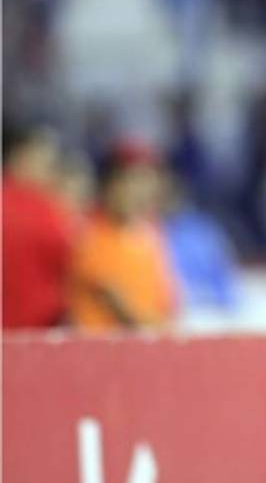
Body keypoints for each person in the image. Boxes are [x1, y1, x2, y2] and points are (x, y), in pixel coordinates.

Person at [67, 139, 178, 330]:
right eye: (132, 181)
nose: (140, 192)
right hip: (103, 353)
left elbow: (167, 302)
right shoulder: (89, 234)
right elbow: (124, 311)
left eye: (147, 181)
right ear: (109, 185)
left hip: (147, 349)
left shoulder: (150, 234)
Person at [2, 122, 75, 329]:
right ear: (21, 156)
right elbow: (72, 260)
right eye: (46, 161)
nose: (51, 170)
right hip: (37, 328)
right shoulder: (46, 209)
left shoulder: (48, 205)